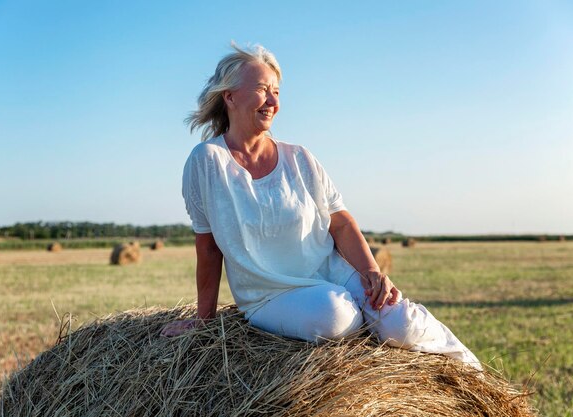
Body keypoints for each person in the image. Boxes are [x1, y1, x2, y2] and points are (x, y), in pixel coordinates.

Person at [161, 43, 482, 371]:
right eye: (262, 90)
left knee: (401, 322)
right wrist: (204, 320)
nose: (273, 101)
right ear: (229, 96)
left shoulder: (300, 157)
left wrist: (372, 273)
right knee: (336, 317)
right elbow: (209, 247)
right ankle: (358, 318)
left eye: (276, 92)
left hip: (335, 274)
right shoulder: (206, 161)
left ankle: (476, 374)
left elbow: (340, 223)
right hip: (269, 294)